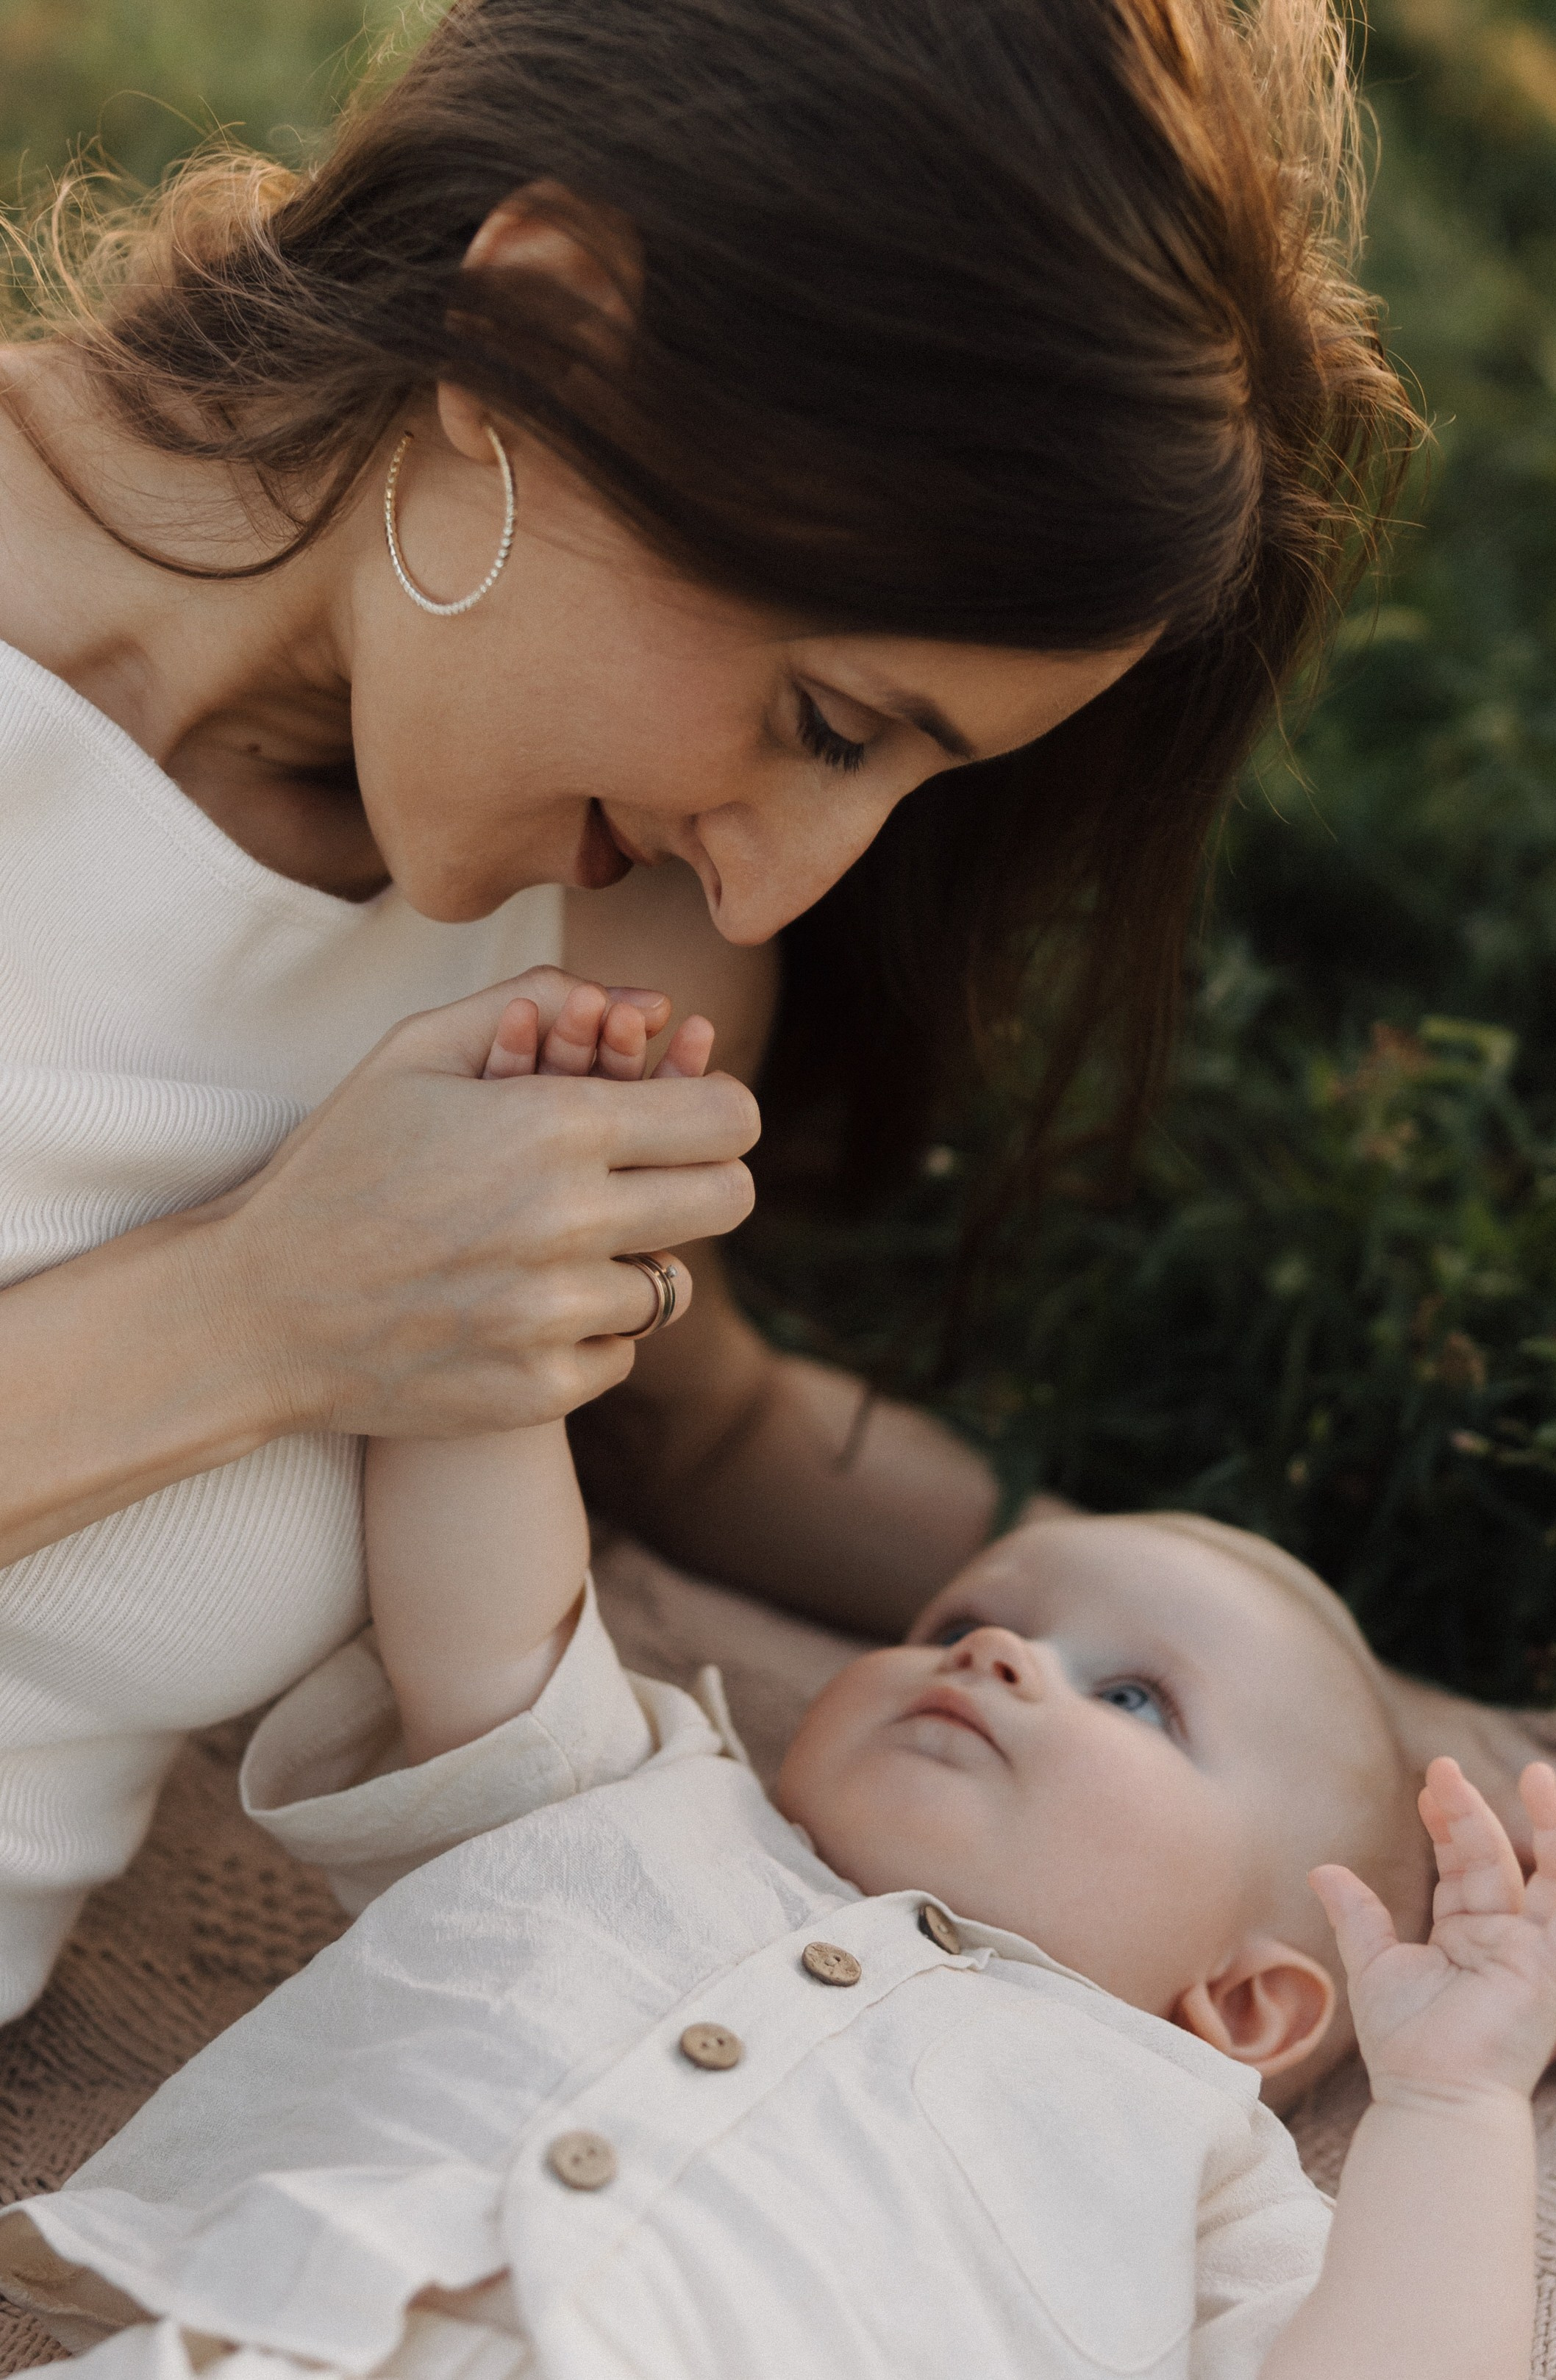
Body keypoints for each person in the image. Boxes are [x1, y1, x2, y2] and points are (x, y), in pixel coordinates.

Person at [0, 0, 1456, 2024]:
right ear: (544, 333)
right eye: (825, 721)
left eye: (898, 780)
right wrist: (257, 1308)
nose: (776, 878)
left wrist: (1417, 1756)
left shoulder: (627, 931)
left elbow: (706, 1426)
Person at [0, 1201, 1556, 2380]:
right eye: (962, 1622)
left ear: (1239, 2000)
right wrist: (512, 1285)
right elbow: (487, 1613)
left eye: (1133, 1695)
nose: (1005, 1658)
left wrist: (1449, 2101)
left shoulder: (1186, 2151)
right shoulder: (638, 1791)